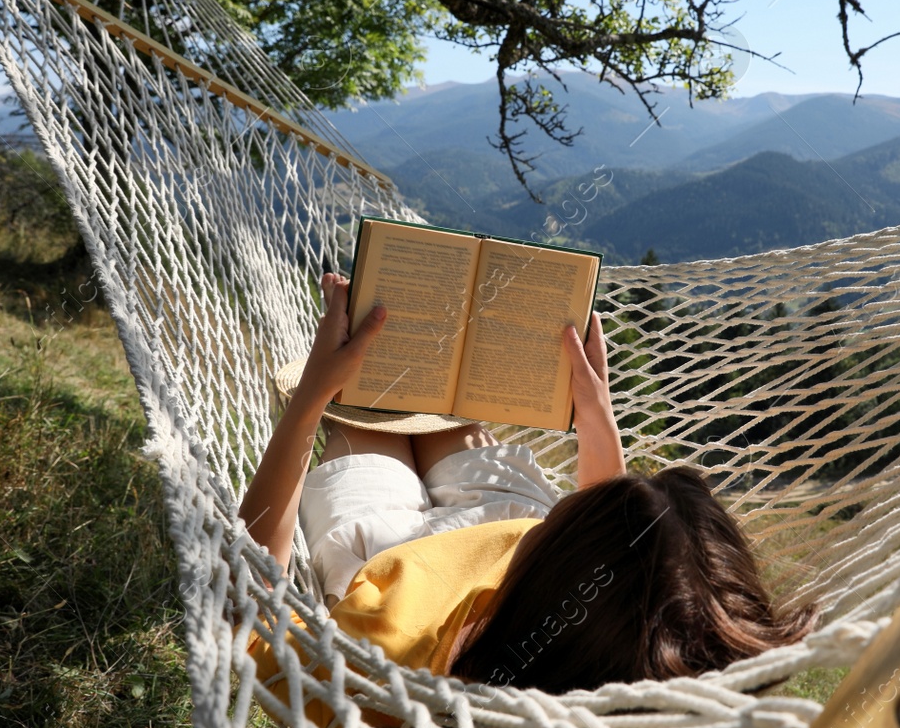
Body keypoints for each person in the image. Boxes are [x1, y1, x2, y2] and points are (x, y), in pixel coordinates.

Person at [239, 272, 815, 693]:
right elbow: (619, 569)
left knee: (376, 395)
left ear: (564, 558)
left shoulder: (382, 667)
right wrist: (597, 419)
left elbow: (249, 614)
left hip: (382, 549)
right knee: (437, 390)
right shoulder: (591, 644)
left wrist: (311, 397)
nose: (581, 497)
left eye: (588, 503)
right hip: (512, 529)